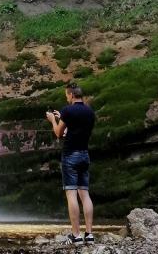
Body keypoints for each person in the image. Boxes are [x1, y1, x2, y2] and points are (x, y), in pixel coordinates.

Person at [46, 83, 96, 245]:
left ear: (72, 95)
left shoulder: (68, 110)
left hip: (70, 156)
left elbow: (59, 133)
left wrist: (53, 120)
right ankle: (89, 233)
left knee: (71, 194)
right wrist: (63, 118)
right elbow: (75, 130)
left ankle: (76, 235)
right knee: (85, 194)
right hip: (84, 155)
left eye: (67, 96)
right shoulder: (90, 112)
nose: (66, 98)